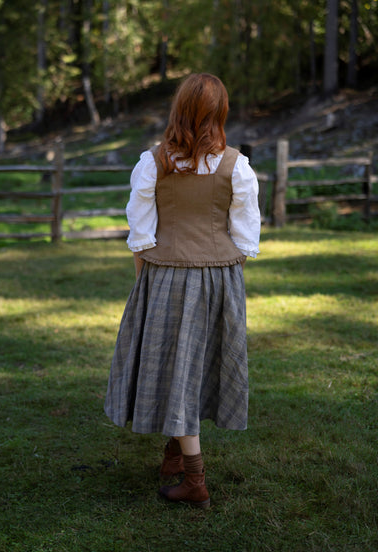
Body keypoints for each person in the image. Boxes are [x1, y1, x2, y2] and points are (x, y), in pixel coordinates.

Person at [105, 73, 261, 508]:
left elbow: (140, 237)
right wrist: (217, 273)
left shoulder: (152, 162)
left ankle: (195, 480)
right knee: (196, 365)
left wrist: (147, 286)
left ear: (179, 111)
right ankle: (176, 452)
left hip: (164, 277)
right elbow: (244, 240)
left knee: (175, 366)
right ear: (219, 114)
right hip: (220, 280)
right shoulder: (237, 166)